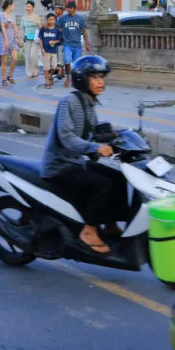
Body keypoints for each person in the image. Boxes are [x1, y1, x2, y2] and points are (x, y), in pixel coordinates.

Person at [42, 55, 116, 253]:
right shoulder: (70, 102)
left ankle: (110, 224)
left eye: (102, 77)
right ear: (82, 79)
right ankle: (89, 230)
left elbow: (95, 132)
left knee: (118, 177)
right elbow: (66, 136)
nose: (101, 82)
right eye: (95, 77)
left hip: (75, 162)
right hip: (59, 166)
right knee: (103, 184)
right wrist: (94, 148)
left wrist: (119, 137)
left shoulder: (90, 103)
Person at [57, 0, 90, 88]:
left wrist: (87, 43)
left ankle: (75, 78)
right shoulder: (63, 18)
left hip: (77, 45)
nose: (68, 10)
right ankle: (68, 76)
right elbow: (56, 26)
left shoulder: (80, 18)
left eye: (70, 8)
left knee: (76, 63)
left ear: (75, 9)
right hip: (67, 44)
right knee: (67, 61)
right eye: (67, 8)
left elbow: (84, 31)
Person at [39, 12, 62, 88]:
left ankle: (50, 75)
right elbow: (40, 39)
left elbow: (59, 40)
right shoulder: (43, 28)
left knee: (54, 66)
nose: (51, 21)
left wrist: (54, 42)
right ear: (47, 20)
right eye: (50, 19)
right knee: (46, 67)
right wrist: (42, 48)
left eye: (53, 19)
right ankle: (47, 82)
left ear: (55, 20)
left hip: (54, 51)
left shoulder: (57, 29)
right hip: (45, 51)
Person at [0, 0, 20, 86]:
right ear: (9, 5)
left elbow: (15, 27)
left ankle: (10, 75)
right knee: (4, 61)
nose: (13, 7)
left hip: (13, 39)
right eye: (13, 5)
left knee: (15, 59)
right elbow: (0, 26)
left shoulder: (13, 15)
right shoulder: (1, 15)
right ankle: (4, 79)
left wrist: (18, 38)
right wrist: (3, 25)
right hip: (4, 39)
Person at [21, 0, 42, 79]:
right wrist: (20, 39)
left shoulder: (37, 16)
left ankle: (35, 71)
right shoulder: (23, 17)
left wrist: (38, 23)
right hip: (26, 38)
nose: (28, 8)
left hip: (35, 39)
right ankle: (29, 73)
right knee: (27, 56)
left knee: (33, 55)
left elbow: (40, 28)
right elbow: (22, 29)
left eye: (29, 7)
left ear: (33, 8)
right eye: (27, 6)